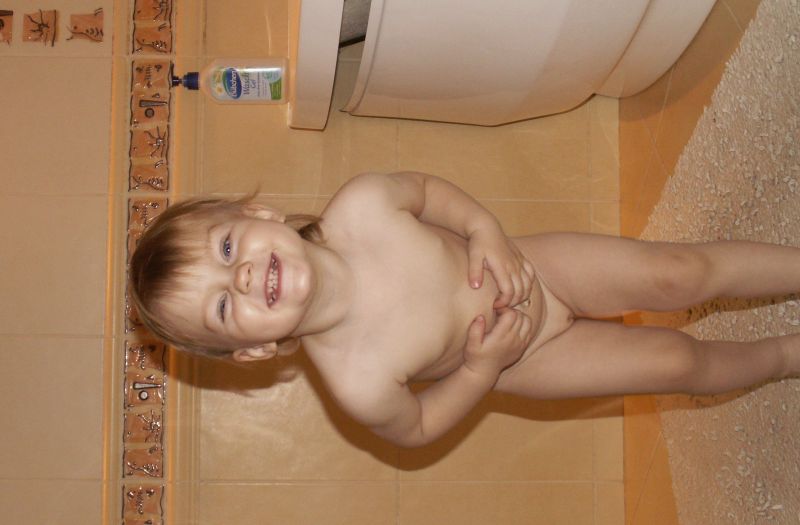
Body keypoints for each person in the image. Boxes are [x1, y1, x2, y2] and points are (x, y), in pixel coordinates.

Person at [129, 171, 800, 447]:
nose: (244, 276)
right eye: (225, 305)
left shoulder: (361, 205)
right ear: (251, 350)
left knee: (676, 274)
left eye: (227, 248)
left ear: (258, 213)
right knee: (675, 361)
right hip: (524, 357)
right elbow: (417, 426)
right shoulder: (357, 382)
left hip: (535, 267)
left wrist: (483, 229)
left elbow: (426, 193)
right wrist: (482, 369)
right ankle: (781, 357)